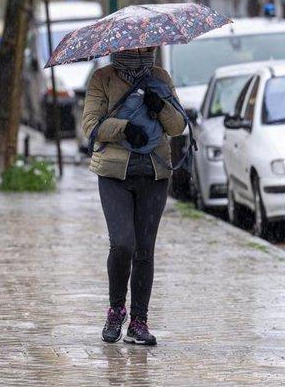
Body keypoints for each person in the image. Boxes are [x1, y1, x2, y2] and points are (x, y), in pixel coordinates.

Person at [81, 48, 186, 346]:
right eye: (136, 47)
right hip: (114, 174)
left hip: (155, 173)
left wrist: (160, 107)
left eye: (148, 46)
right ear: (120, 47)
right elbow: (90, 125)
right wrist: (124, 129)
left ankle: (139, 321)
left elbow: (178, 126)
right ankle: (116, 310)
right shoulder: (103, 78)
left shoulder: (160, 77)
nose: (143, 52)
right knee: (123, 243)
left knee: (144, 249)